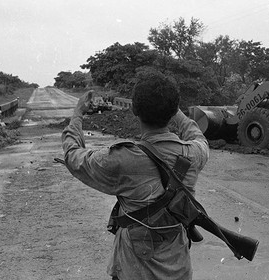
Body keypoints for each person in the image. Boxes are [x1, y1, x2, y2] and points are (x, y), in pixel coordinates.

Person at [61, 71, 209, 280]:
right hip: (179, 270)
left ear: (134, 110)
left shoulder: (122, 158)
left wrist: (77, 114)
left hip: (133, 270)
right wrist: (176, 112)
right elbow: (198, 136)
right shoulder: (193, 153)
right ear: (173, 109)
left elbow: (73, 156)